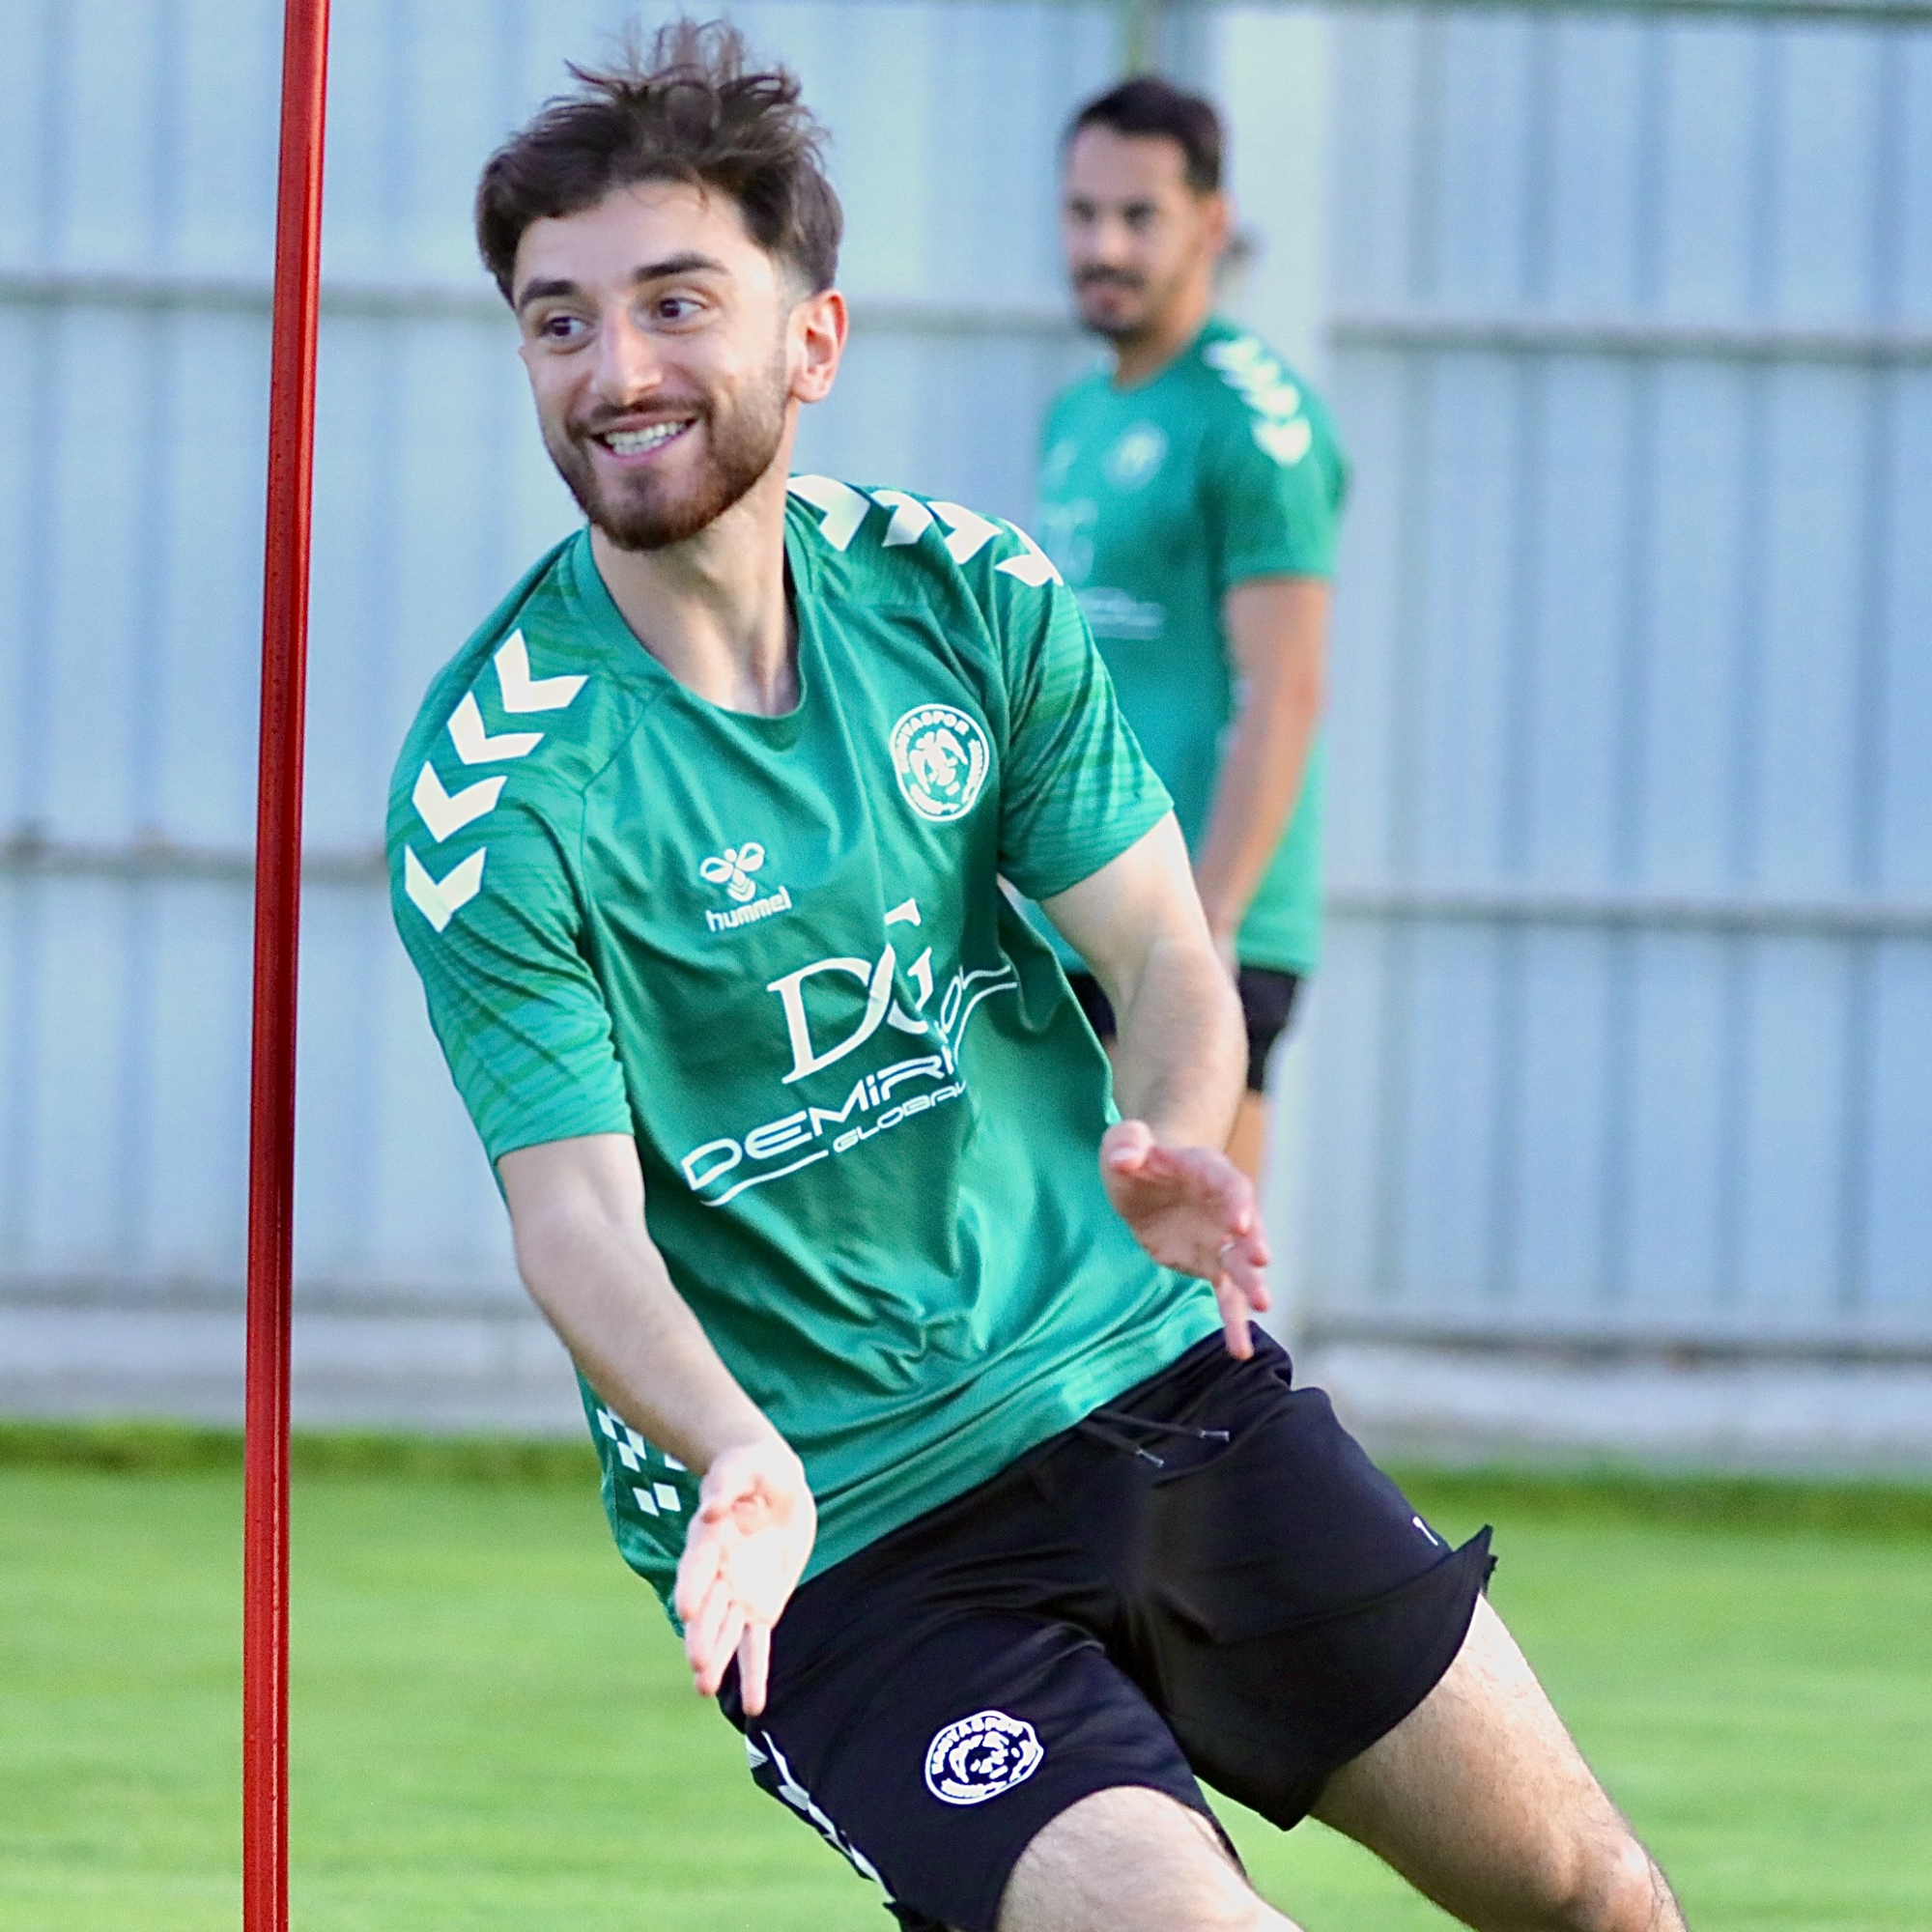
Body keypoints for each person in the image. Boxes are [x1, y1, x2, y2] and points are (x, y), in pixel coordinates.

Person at [388, 24, 1686, 1932]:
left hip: (1145, 1377)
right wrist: (735, 1447)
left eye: (676, 303)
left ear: (812, 340)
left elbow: (1161, 942)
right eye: (557, 321)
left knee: (1593, 1892)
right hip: (848, 1533)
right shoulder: (497, 788)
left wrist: (1164, 1132)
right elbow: (572, 1217)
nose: (616, 369)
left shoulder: (963, 592)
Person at [1035, 77, 1345, 1192]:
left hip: (1196, 923)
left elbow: (1285, 688)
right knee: (1070, 1265)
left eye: (1138, 216)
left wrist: (1205, 926)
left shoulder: (1253, 421)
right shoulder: (1079, 412)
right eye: (1081, 214)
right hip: (1083, 907)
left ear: (1211, 224)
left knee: (1184, 1262)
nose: (1102, 246)